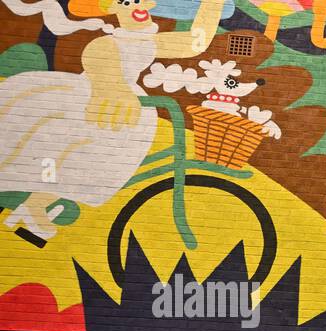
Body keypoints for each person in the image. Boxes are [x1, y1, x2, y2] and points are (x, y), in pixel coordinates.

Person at [0, 0, 227, 240]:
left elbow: (194, 42)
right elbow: (97, 54)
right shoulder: (111, 40)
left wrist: (213, 4)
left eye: (141, 1)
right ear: (111, 9)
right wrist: (112, 86)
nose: (139, 7)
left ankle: (34, 206)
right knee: (73, 152)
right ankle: (32, 205)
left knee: (84, 159)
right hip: (96, 99)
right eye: (127, 2)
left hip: (121, 101)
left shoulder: (144, 41)